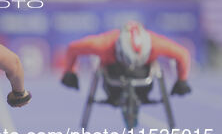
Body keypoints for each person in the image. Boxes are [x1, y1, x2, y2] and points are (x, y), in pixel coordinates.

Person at [60, 21, 191, 104]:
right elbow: (73, 48)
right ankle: (117, 96)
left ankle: (140, 93)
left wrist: (182, 80)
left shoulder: (155, 44)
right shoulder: (105, 44)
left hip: (144, 80)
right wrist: (70, 71)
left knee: (153, 71)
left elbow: (182, 54)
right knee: (110, 78)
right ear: (117, 49)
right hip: (113, 78)